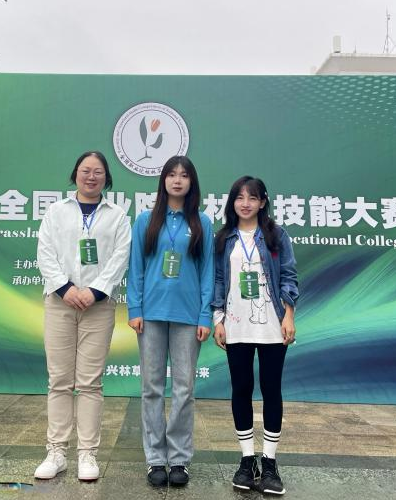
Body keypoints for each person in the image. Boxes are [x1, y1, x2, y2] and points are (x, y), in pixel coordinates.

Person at [34, 151, 131, 481]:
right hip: (60, 303)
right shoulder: (56, 211)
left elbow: (120, 257)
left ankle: (87, 454)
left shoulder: (117, 216)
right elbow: (45, 253)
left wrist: (96, 291)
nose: (91, 177)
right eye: (85, 171)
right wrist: (65, 288)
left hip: (98, 307)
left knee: (90, 383)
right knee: (59, 380)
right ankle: (56, 452)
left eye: (98, 172)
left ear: (107, 178)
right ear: (75, 174)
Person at [127, 155, 214, 487]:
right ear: (163, 180)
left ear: (192, 182)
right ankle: (155, 459)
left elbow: (208, 270)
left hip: (188, 316)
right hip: (150, 315)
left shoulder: (201, 222)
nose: (178, 180)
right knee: (151, 387)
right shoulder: (145, 220)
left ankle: (178, 458)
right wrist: (135, 309)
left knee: (183, 389)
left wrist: (205, 314)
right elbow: (136, 267)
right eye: (172, 174)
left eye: (184, 175)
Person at [211, 176, 298, 495]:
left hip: (273, 324)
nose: (245, 203)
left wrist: (288, 315)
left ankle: (270, 463)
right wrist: (218, 319)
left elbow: (289, 276)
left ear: (262, 202)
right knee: (241, 389)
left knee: (271, 389)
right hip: (236, 325)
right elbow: (219, 280)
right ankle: (247, 461)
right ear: (232, 202)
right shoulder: (224, 238)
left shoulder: (276, 235)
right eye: (239, 197)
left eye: (252, 198)